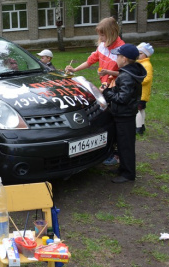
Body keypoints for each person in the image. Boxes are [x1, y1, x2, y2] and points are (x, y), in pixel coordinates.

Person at [101, 44, 146, 183]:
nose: (116, 58)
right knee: (122, 143)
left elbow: (123, 98)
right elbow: (123, 92)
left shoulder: (126, 75)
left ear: (124, 59)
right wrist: (111, 90)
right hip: (125, 114)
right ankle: (123, 168)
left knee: (126, 145)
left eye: (118, 56)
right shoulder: (129, 72)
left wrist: (107, 93)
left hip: (124, 115)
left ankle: (128, 174)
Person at [65, 17, 125, 88]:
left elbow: (126, 74)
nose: (100, 38)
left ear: (112, 33)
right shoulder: (102, 45)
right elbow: (89, 62)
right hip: (105, 85)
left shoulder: (122, 50)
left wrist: (108, 72)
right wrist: (75, 69)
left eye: (102, 35)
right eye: (99, 35)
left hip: (118, 86)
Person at [135, 42, 154, 135]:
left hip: (142, 93)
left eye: (140, 53)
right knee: (141, 109)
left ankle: (138, 128)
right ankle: (141, 126)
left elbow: (147, 78)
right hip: (142, 93)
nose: (138, 55)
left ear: (146, 54)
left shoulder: (146, 65)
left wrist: (137, 81)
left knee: (137, 110)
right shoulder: (142, 64)